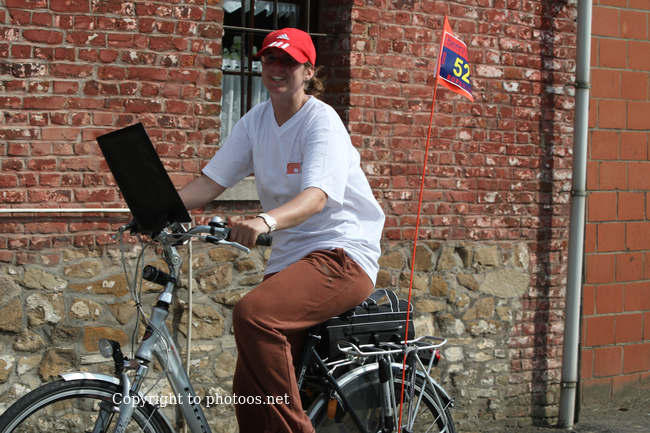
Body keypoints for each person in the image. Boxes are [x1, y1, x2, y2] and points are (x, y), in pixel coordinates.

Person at [179, 28, 385, 433]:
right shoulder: (255, 121)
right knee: (250, 387)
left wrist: (264, 220)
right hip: (292, 260)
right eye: (269, 58)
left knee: (254, 315)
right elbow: (209, 183)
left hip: (342, 255)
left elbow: (316, 197)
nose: (276, 67)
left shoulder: (321, 121)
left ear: (308, 71)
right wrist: (154, 210)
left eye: (288, 61)